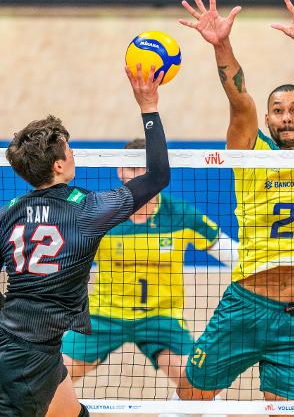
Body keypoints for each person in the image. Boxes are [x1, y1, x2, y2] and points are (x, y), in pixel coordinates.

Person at [177, 0, 294, 407]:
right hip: (244, 307)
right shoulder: (249, 153)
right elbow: (239, 99)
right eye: (278, 110)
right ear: (268, 118)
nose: (287, 116)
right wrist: (222, 45)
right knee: (188, 394)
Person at [0, 64, 170, 417]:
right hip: (28, 359)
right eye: (70, 149)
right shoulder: (88, 209)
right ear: (59, 165)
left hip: (26, 345)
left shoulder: (9, 212)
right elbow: (157, 176)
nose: (73, 153)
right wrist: (149, 107)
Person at [61, 138, 238, 399]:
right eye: (132, 169)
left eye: (145, 169)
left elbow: (234, 255)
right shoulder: (99, 214)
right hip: (101, 318)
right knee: (51, 379)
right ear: (121, 172)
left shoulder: (180, 215)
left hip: (160, 318)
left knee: (200, 388)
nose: (140, 176)